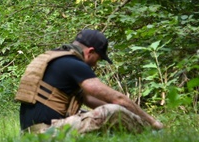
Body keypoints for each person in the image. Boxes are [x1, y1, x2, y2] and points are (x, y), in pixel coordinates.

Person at [16, 28, 164, 134]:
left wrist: (130, 114)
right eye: (98, 59)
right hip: (46, 133)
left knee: (96, 112)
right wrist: (151, 122)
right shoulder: (74, 63)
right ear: (90, 52)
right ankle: (151, 134)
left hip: (30, 132)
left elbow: (89, 99)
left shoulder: (57, 58)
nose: (95, 65)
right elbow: (117, 99)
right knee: (114, 111)